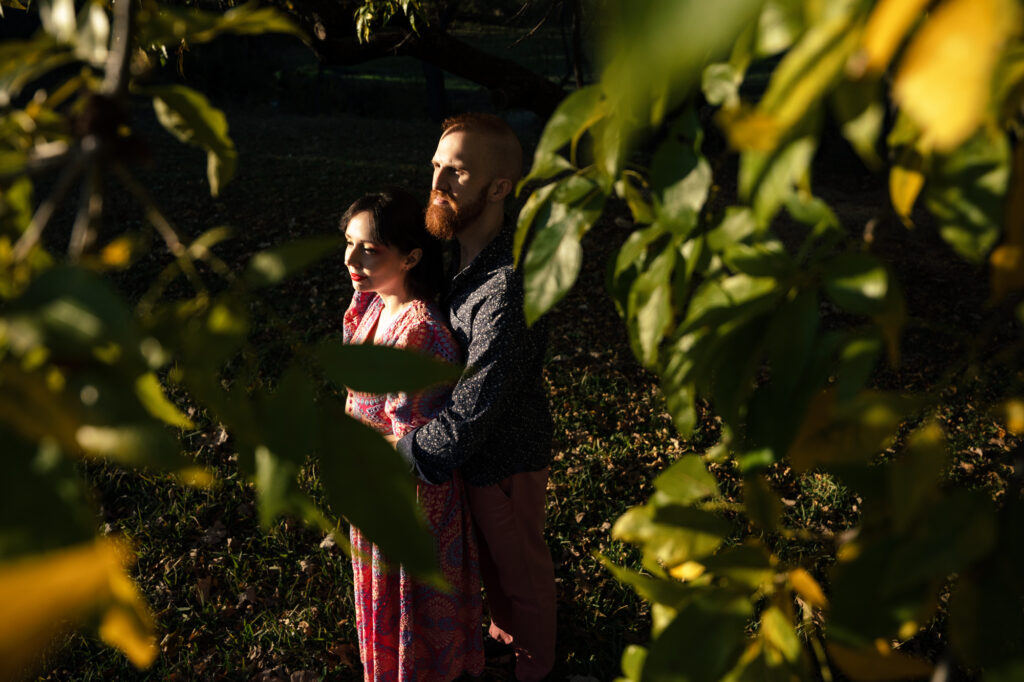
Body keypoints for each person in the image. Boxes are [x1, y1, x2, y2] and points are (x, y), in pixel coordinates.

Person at [395, 114, 557, 681]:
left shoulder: (509, 283)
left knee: (520, 574)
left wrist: (408, 452)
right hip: (472, 459)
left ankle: (535, 668)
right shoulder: (455, 259)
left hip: (505, 456)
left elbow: (480, 399)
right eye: (436, 165)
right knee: (490, 567)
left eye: (456, 171)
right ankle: (503, 639)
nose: (437, 181)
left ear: (498, 188)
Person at [340, 188, 484, 682]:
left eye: (370, 248)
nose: (352, 259)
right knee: (382, 603)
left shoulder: (419, 331)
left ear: (412, 256)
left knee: (412, 612)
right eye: (350, 242)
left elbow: (411, 442)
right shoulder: (369, 304)